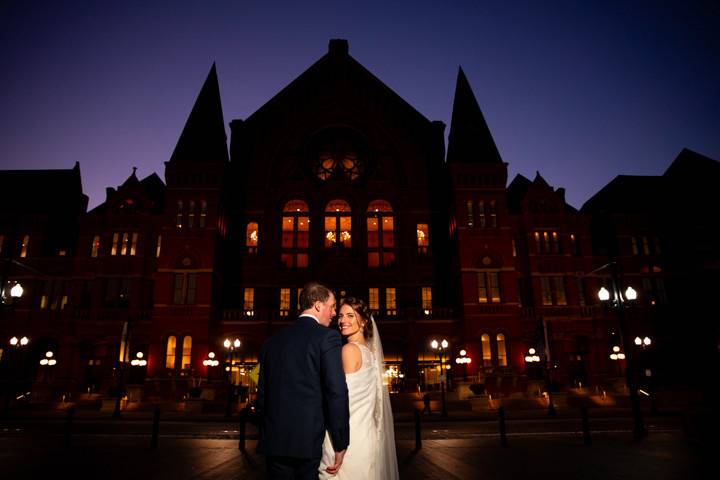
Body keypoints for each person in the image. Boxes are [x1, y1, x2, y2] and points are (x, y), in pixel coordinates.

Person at [257, 282, 350, 479]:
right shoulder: (327, 338)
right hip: (307, 442)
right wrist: (340, 442)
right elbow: (336, 392)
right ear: (318, 305)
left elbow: (263, 395)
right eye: (332, 306)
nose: (334, 313)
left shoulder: (270, 343)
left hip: (274, 441)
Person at [319, 297, 399, 479]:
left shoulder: (349, 350)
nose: (342, 321)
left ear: (363, 320)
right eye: (340, 316)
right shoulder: (370, 353)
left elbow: (340, 398)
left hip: (347, 438)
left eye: (350, 315)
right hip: (367, 437)